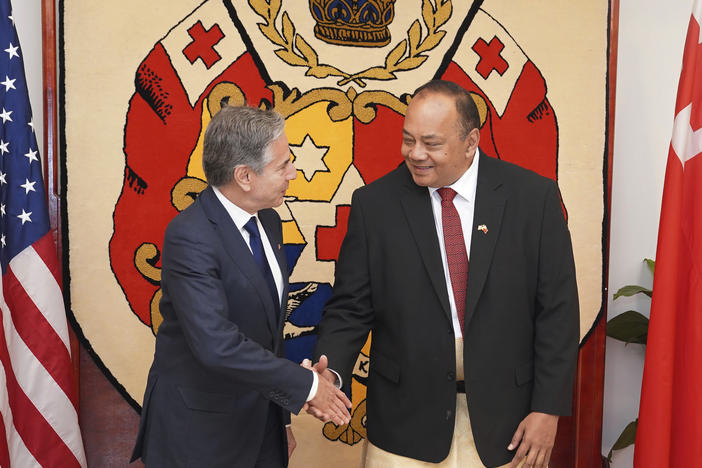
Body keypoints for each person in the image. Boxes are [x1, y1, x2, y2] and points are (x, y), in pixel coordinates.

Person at [309, 80, 579, 468]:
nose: (415, 154)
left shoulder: (533, 199)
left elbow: (558, 311)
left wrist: (548, 410)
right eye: (408, 140)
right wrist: (330, 373)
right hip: (405, 426)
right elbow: (350, 308)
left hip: (509, 424)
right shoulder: (375, 205)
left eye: (431, 143)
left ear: (471, 142)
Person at [131, 105, 351, 468]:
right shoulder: (190, 236)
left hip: (261, 427)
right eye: (283, 166)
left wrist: (281, 419)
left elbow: (267, 333)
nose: (293, 173)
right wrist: (308, 386)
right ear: (244, 176)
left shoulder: (269, 221)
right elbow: (216, 344)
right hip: (201, 436)